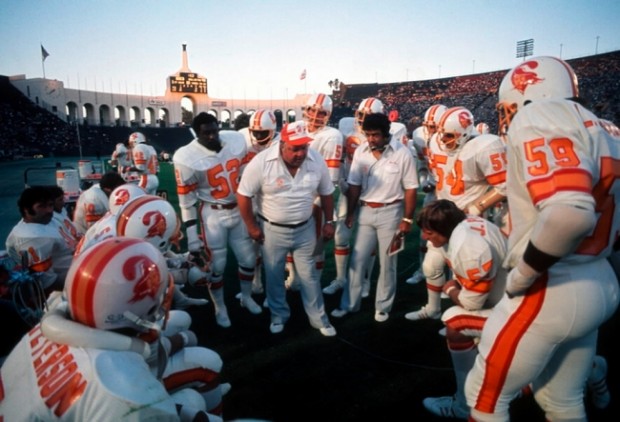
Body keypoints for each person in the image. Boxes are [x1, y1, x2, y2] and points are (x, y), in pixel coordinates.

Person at [465, 56, 620, 421]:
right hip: (601, 279)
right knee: (562, 401)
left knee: (484, 399)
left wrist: (522, 276)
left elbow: (570, 213)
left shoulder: (538, 115)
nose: (507, 118)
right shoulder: (609, 129)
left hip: (552, 285)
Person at [0, 237, 226, 421]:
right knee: (197, 391)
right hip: (116, 400)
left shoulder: (49, 324)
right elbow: (129, 403)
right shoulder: (122, 389)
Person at [405, 106, 507, 322]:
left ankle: (467, 315)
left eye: (449, 135)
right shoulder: (435, 142)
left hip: (467, 222)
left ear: (466, 132)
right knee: (431, 265)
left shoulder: (483, 146)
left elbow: (504, 186)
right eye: (442, 133)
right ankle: (433, 309)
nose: (443, 139)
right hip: (442, 216)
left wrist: (477, 207)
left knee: (464, 274)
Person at [236, 120, 337, 337]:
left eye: (304, 147)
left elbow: (327, 192)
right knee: (273, 274)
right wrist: (251, 226)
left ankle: (319, 318)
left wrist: (329, 221)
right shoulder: (262, 161)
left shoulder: (315, 158)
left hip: (305, 227)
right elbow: (243, 194)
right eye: (295, 148)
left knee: (309, 275)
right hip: (272, 229)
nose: (300, 153)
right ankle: (278, 315)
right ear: (283, 144)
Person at [416, 199, 507, 419]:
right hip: (509, 296)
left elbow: (472, 303)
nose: (424, 237)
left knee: (454, 323)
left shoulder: (469, 247)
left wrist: (450, 290)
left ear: (443, 228)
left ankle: (463, 405)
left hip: (515, 309)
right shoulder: (466, 224)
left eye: (429, 232)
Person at [173, 112, 261, 328]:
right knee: (217, 265)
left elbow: (246, 173)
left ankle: (246, 297)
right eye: (207, 133)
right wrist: (192, 237)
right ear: (197, 133)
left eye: (215, 131)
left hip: (237, 209)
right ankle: (220, 307)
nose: (212, 136)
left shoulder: (235, 140)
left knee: (248, 260)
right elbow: (186, 203)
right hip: (213, 214)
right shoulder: (186, 157)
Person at [331, 112, 418, 322]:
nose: (371, 139)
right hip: (366, 211)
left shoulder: (402, 153)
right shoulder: (361, 150)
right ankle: (349, 304)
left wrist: (407, 220)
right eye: (368, 134)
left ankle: (383, 306)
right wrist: (350, 213)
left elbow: (411, 188)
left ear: (386, 133)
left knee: (387, 262)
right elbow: (354, 185)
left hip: (392, 211)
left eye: (375, 135)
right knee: (357, 260)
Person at [323, 97, 386, 298]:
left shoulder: (387, 135)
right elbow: (340, 159)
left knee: (369, 240)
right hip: (349, 190)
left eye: (369, 116)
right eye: (361, 114)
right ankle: (341, 278)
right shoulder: (345, 129)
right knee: (341, 236)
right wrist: (342, 182)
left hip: (374, 193)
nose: (363, 119)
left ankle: (365, 280)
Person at [285, 93, 343, 291]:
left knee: (315, 245)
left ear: (329, 114)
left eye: (322, 112)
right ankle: (293, 278)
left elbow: (331, 178)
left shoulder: (331, 135)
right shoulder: (295, 129)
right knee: (291, 241)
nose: (316, 115)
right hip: (291, 196)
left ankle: (314, 283)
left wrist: (316, 202)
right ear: (305, 109)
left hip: (314, 198)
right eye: (312, 110)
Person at [237, 109, 280, 296]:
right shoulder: (241, 138)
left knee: (272, 248)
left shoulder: (280, 143)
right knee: (250, 246)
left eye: (263, 133)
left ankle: (282, 284)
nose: (258, 137)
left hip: (272, 199)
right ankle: (256, 283)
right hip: (248, 198)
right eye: (255, 132)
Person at [406, 104, 447, 285]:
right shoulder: (419, 136)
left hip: (454, 190)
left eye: (434, 127)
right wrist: (425, 181)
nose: (431, 131)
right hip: (434, 189)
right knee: (426, 231)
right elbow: (423, 166)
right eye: (428, 126)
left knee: (455, 234)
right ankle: (422, 269)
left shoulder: (454, 135)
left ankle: (456, 276)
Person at [5, 186, 74, 293]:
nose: (49, 210)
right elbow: (49, 283)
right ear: (26, 209)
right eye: (41, 206)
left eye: (50, 205)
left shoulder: (42, 220)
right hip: (67, 283)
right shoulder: (32, 238)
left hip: (76, 264)